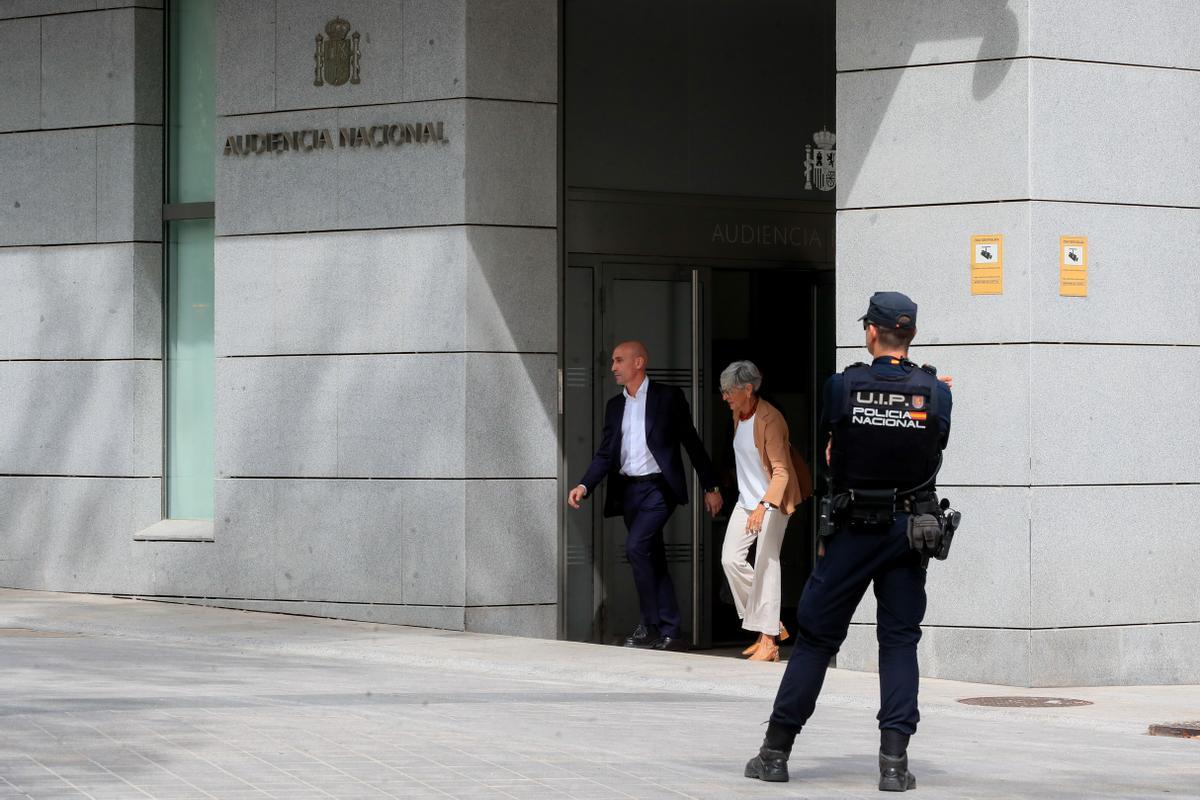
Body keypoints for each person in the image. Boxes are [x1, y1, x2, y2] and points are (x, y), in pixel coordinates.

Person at [743, 292, 953, 792]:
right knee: (899, 642)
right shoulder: (936, 392)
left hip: (852, 529)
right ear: (912, 335)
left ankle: (775, 753)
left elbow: (828, 449)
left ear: (872, 333)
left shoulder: (842, 387)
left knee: (815, 640)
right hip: (908, 532)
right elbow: (935, 446)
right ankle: (895, 765)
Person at [567, 341, 722, 651]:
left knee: (636, 547)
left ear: (638, 363)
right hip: (628, 491)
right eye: (613, 361)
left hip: (658, 488)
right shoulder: (615, 406)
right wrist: (584, 486)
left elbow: (691, 441)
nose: (613, 367)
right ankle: (671, 631)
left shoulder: (668, 397)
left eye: (618, 361)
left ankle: (649, 625)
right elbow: (605, 453)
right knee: (653, 556)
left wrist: (711, 486)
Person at [718, 360, 811, 662]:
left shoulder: (771, 419)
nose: (725, 397)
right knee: (730, 559)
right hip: (746, 501)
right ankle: (769, 623)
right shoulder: (738, 413)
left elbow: (782, 472)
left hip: (773, 501)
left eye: (729, 390)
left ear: (748, 388)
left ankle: (769, 641)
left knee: (766, 562)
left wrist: (764, 505)